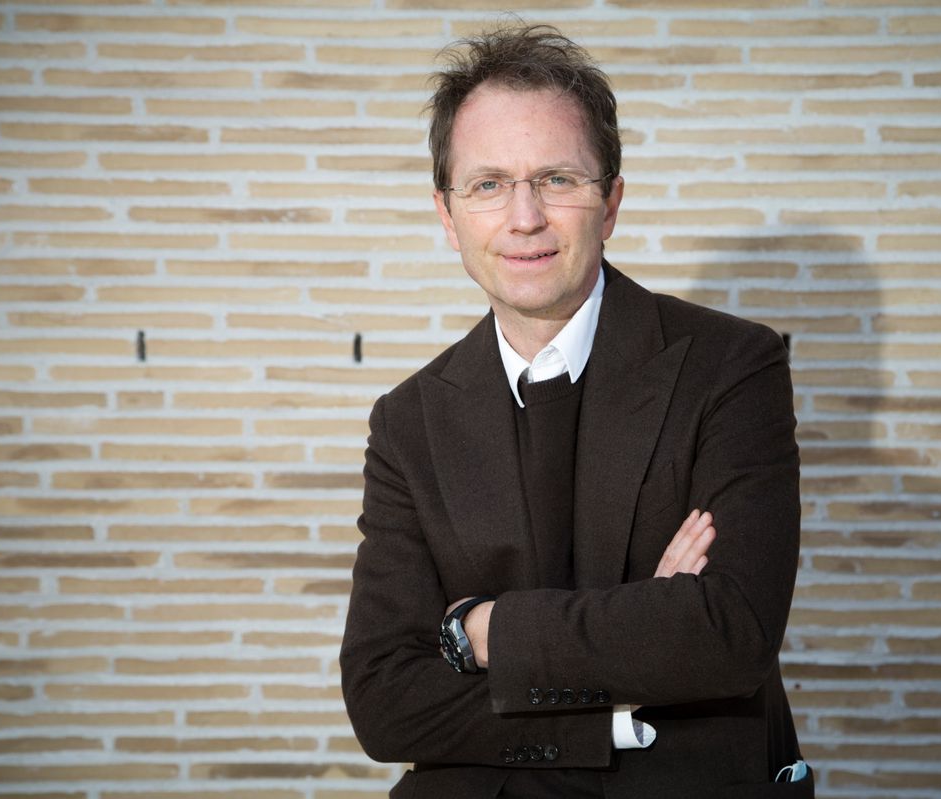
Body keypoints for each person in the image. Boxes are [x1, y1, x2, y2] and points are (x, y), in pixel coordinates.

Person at [340, 23, 811, 799]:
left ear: (611, 201)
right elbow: (385, 700)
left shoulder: (732, 365)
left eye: (556, 178)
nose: (524, 216)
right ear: (447, 215)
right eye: (488, 185)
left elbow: (729, 633)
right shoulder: (407, 422)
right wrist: (629, 667)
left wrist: (481, 631)